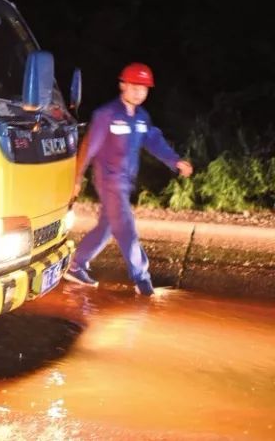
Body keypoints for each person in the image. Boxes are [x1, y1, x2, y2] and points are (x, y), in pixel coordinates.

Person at [66, 62, 193, 296]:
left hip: (125, 182)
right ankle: (142, 280)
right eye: (134, 87)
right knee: (126, 228)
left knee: (106, 226)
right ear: (122, 85)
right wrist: (76, 178)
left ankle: (76, 265)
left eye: (143, 89)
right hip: (108, 181)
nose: (139, 93)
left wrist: (175, 161)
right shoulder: (106, 114)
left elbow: (154, 141)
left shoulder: (142, 118)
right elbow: (88, 147)